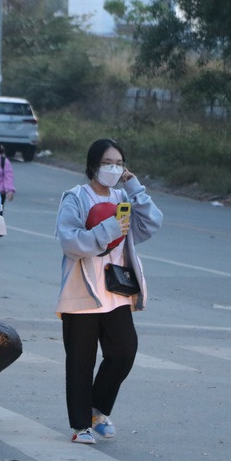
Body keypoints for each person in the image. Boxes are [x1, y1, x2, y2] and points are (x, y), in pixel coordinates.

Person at [55, 137, 163, 444]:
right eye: (107, 163)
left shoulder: (122, 197)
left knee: (124, 352)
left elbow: (151, 223)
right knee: (80, 361)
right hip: (82, 291)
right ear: (92, 165)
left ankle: (97, 408)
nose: (113, 168)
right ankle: (80, 426)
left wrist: (135, 187)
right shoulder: (75, 198)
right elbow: (71, 243)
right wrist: (112, 228)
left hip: (115, 291)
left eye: (119, 163)